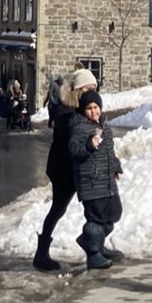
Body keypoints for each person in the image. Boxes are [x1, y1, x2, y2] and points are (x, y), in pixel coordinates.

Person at [35, 66, 96, 272]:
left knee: (93, 204)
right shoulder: (65, 113)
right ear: (78, 91)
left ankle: (95, 244)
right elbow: (69, 140)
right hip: (63, 170)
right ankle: (41, 252)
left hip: (78, 167)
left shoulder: (81, 111)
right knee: (59, 208)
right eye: (88, 88)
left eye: (94, 88)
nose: (92, 93)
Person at [68, 89, 123, 268]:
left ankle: (93, 242)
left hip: (107, 182)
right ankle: (93, 254)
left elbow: (109, 151)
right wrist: (89, 145)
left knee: (114, 214)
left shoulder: (104, 126)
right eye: (89, 108)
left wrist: (115, 166)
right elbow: (74, 152)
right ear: (84, 110)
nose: (93, 111)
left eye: (96, 107)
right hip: (91, 183)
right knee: (96, 219)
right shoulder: (80, 127)